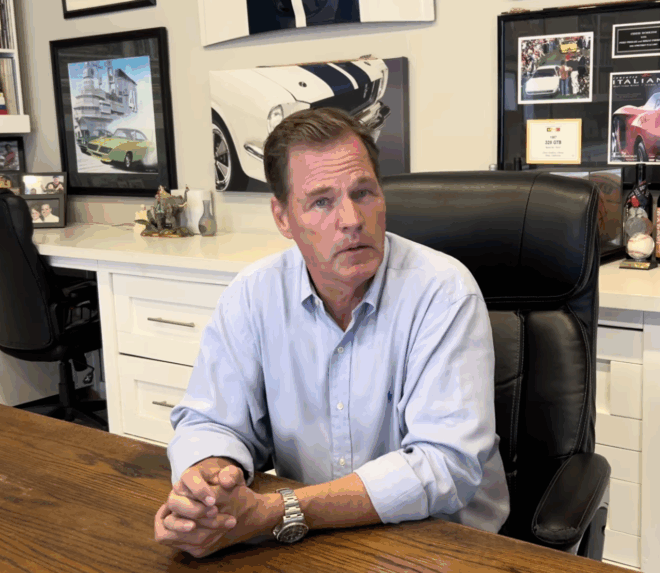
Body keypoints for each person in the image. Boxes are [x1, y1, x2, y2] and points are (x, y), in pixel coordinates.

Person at [154, 107, 510, 558]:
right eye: (321, 201)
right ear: (283, 217)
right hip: (311, 540)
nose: (352, 218)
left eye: (363, 192)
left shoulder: (443, 291)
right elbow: (210, 420)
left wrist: (277, 511)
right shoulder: (253, 293)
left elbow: (445, 465)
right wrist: (209, 491)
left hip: (440, 545)